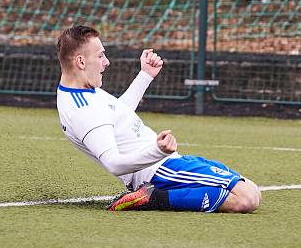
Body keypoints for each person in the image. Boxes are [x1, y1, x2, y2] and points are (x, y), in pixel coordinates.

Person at [55, 25, 261, 213]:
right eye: (101, 56)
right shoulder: (84, 110)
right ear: (81, 61)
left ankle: (152, 195)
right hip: (159, 171)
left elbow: (115, 115)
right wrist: (157, 151)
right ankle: (153, 198)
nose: (106, 62)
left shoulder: (78, 92)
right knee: (247, 198)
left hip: (166, 165)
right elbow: (114, 163)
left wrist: (145, 76)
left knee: (251, 190)